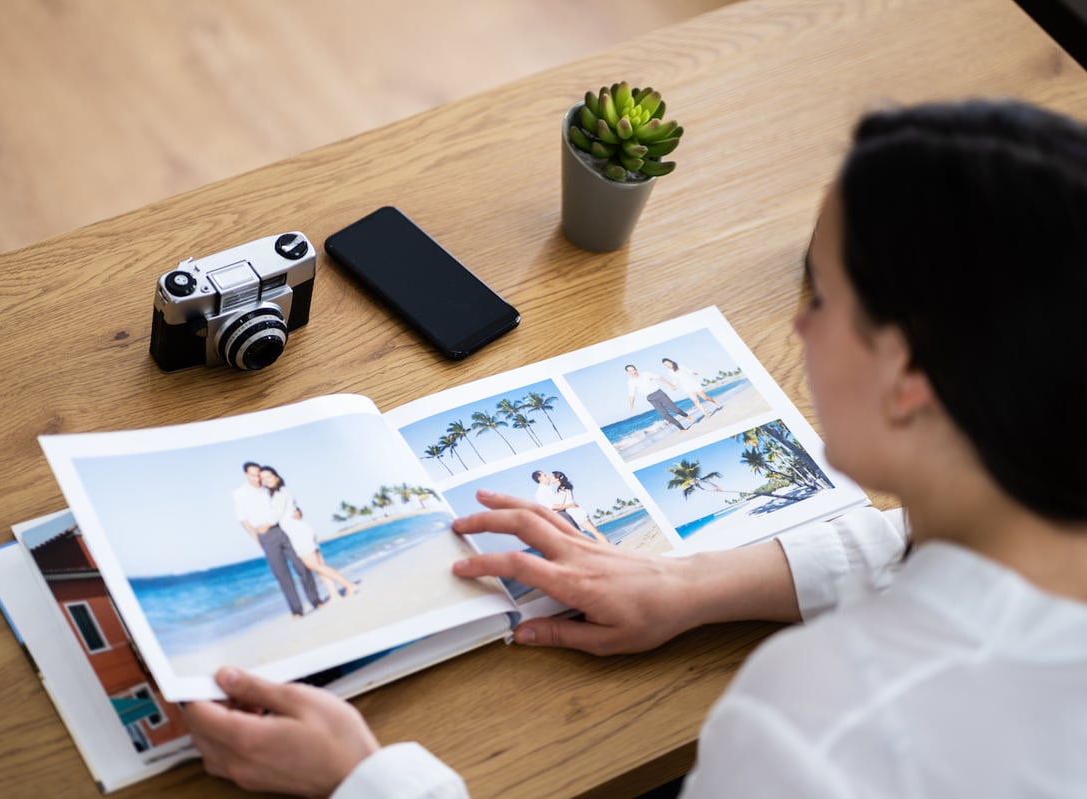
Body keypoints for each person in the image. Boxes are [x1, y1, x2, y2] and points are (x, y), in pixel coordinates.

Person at [186, 100, 1087, 797]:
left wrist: (362, 779)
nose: (795, 324)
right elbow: (916, 548)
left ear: (909, 377)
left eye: (822, 295)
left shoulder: (828, 722)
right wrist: (691, 582)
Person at [262, 466, 358, 601]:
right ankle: (334, 594)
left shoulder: (280, 494)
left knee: (313, 565)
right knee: (319, 564)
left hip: (298, 533)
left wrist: (262, 528)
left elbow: (274, 517)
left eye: (269, 476)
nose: (266, 480)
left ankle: (349, 585)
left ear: (276, 477)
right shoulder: (283, 492)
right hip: (302, 529)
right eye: (264, 478)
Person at [251, 464, 324, 617]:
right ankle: (296, 610)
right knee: (281, 573)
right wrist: (257, 536)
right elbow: (243, 520)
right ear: (247, 476)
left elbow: (292, 506)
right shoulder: (244, 495)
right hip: (267, 535)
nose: (260, 478)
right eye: (256, 475)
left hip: (285, 530)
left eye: (262, 475)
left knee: (302, 566)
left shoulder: (277, 490)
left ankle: (315, 600)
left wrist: (299, 512)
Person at [625, 364, 693, 430]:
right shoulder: (630, 382)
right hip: (651, 398)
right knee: (665, 415)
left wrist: (670, 385)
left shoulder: (646, 374)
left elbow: (660, 377)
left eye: (633, 370)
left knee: (675, 410)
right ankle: (681, 428)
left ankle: (686, 415)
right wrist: (631, 405)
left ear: (636, 369)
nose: (633, 372)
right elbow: (631, 393)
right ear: (628, 372)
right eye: (630, 371)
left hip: (659, 393)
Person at [550, 470, 609, 545]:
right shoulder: (565, 487)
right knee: (595, 532)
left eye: (551, 476)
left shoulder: (562, 488)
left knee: (595, 532)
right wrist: (570, 505)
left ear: (557, 478)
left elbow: (556, 507)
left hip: (575, 513)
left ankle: (612, 549)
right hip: (578, 511)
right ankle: (611, 548)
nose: (550, 478)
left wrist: (567, 506)